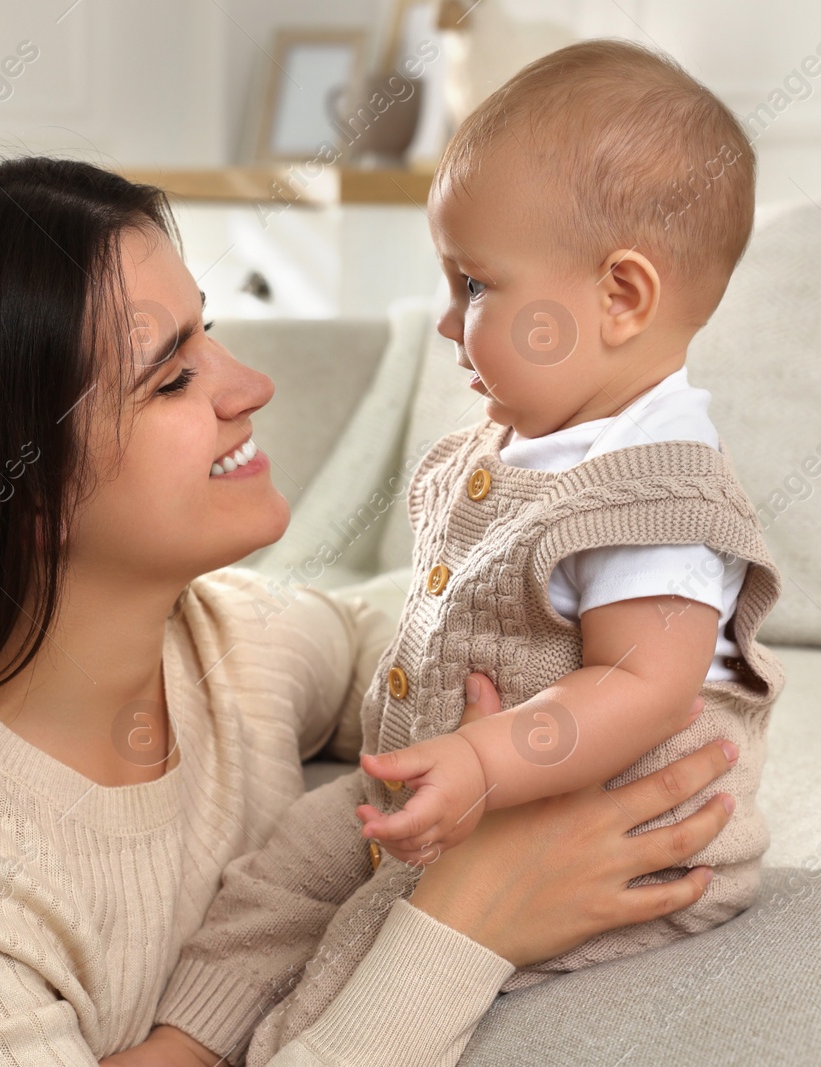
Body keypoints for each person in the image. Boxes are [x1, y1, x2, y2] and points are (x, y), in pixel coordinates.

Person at [0, 155, 739, 1067]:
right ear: (8, 492)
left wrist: (615, 662)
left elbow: (416, 641)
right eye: (172, 377)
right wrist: (469, 913)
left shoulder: (234, 651)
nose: (250, 385)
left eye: (214, 333)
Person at [152, 38, 785, 1066]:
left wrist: (487, 762)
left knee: (366, 935)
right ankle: (180, 1037)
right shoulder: (535, 442)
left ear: (621, 297)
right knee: (286, 867)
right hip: (458, 786)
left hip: (604, 831)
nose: (447, 323)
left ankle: (274, 1044)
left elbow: (646, 686)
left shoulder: (654, 486)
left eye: (476, 286)